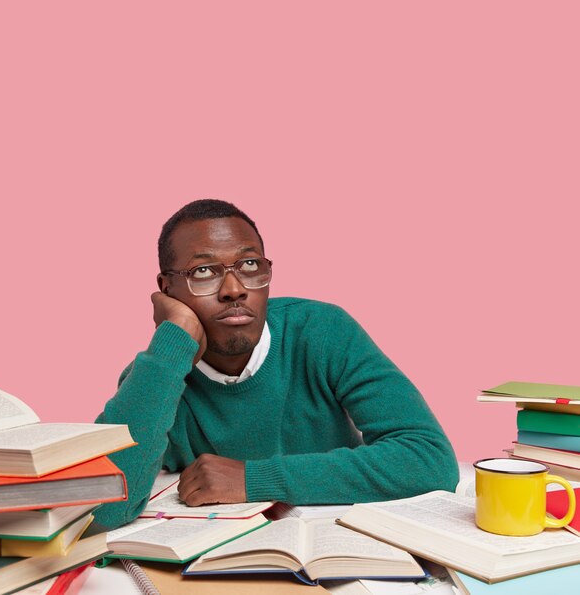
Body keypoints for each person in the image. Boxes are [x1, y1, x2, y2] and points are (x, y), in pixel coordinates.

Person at [95, 199, 458, 529]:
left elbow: (430, 460)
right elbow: (103, 508)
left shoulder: (322, 331)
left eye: (250, 265)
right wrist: (173, 340)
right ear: (167, 289)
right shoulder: (157, 375)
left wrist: (252, 479)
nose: (234, 289)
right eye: (204, 271)